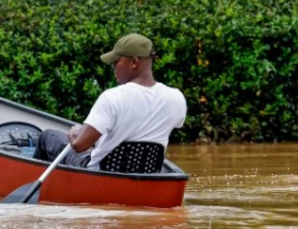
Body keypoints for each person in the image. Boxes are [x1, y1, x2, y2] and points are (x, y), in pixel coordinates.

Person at [32, 33, 187, 170]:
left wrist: (74, 134)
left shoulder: (113, 97)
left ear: (134, 62)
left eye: (116, 62)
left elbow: (80, 145)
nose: (113, 67)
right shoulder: (176, 98)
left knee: (48, 136)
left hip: (100, 173)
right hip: (146, 173)